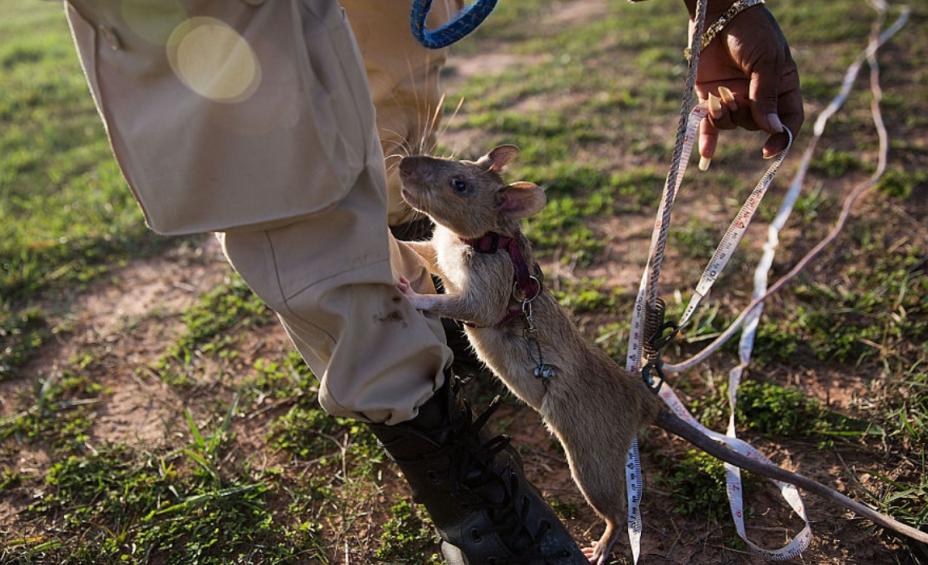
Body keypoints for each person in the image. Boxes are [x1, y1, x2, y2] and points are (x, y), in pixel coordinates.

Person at [62, 0, 802, 562]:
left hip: (532, 347)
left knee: (382, 63)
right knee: (267, 117)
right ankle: (433, 441)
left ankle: (423, 324)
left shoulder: (494, 241)